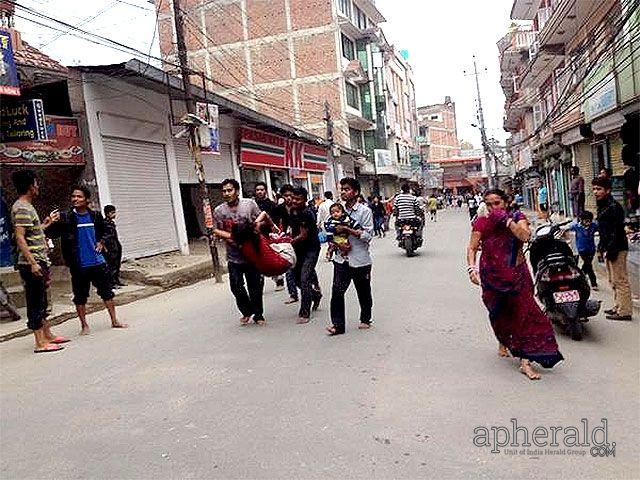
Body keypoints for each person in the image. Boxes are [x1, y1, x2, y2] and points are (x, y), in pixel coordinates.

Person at [466, 188, 564, 380]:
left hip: (517, 276)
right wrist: (471, 268)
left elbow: (525, 236)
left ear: (506, 202)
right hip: (492, 277)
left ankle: (525, 361)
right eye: (489, 204)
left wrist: (507, 221)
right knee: (498, 313)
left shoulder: (517, 217)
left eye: (497, 203)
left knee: (525, 315)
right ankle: (503, 340)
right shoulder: (482, 221)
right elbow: (472, 247)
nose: (493, 208)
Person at [46, 186, 127, 335]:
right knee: (80, 297)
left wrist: (101, 241)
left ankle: (114, 320)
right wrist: (50, 222)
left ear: (87, 200)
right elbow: (51, 234)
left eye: (79, 197)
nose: (75, 199)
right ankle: (84, 325)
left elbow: (106, 231)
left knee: (107, 293)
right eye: (73, 196)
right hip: (78, 264)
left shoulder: (95, 216)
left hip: (98, 262)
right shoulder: (66, 217)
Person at [10, 170, 68, 353]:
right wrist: (33, 263)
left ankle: (47, 334)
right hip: (32, 262)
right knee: (35, 300)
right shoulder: (21, 208)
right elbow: (20, 237)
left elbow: (32, 232)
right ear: (30, 186)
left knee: (42, 299)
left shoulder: (28, 207)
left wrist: (46, 224)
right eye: (36, 183)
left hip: (39, 260)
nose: (38, 187)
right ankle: (40, 342)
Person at [213, 179, 265, 325]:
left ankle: (259, 315)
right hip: (233, 255)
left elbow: (260, 218)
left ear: (237, 191)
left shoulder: (249, 204)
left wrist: (256, 228)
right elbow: (217, 229)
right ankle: (246, 310)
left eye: (229, 190)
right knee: (236, 286)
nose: (226, 193)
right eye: (224, 191)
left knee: (255, 286)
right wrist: (231, 238)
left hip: (252, 254)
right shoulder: (219, 211)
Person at [327, 178, 374, 336]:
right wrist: (334, 244)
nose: (343, 192)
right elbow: (330, 231)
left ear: (355, 192)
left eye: (346, 189)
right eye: (342, 189)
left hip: (360, 259)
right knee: (337, 292)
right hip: (341, 258)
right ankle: (338, 325)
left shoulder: (364, 211)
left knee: (363, 291)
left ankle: (366, 318)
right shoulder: (337, 210)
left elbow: (368, 235)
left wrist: (347, 229)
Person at [592, 177, 633, 321]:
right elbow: (604, 231)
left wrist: (610, 248)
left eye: (599, 189)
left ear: (607, 190)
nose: (596, 192)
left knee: (620, 279)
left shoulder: (614, 207)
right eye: (594, 189)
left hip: (617, 247)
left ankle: (625, 311)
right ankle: (618, 306)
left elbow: (616, 230)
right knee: (612, 279)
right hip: (608, 247)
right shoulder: (602, 205)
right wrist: (601, 247)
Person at [287, 187, 323, 323]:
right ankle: (315, 295)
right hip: (297, 250)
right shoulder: (292, 211)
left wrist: (288, 241)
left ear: (304, 200)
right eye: (293, 198)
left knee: (305, 278)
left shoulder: (307, 213)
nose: (294, 201)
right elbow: (292, 230)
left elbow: (303, 235)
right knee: (296, 278)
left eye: (298, 199)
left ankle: (304, 312)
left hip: (311, 249)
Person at [254, 182, 284, 292]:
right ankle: (258, 283)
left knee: (272, 257)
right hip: (257, 235)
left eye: (261, 189)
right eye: (257, 190)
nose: (259, 192)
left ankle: (279, 279)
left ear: (265, 191)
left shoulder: (271, 205)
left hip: (269, 235)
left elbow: (275, 221)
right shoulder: (253, 204)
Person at [273, 184, 299, 304]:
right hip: (287, 241)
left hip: (300, 240)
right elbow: (277, 223)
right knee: (289, 267)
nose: (288, 198)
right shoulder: (280, 208)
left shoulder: (298, 207)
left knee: (303, 268)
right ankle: (293, 294)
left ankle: (314, 284)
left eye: (290, 195)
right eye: (286, 195)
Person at [566, 211, 599, 290]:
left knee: (587, 265)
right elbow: (567, 228)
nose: (588, 222)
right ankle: (593, 283)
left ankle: (580, 276)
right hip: (582, 249)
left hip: (591, 249)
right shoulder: (576, 227)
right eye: (586, 221)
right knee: (588, 265)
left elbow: (601, 228)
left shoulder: (593, 226)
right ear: (581, 220)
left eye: (589, 220)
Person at [102, 204, 124, 289]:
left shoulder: (111, 223)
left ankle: (116, 280)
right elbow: (103, 237)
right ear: (107, 214)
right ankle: (111, 283)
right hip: (110, 247)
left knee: (117, 264)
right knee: (111, 265)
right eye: (112, 213)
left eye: (114, 212)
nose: (114, 214)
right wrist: (105, 247)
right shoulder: (104, 224)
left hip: (115, 245)